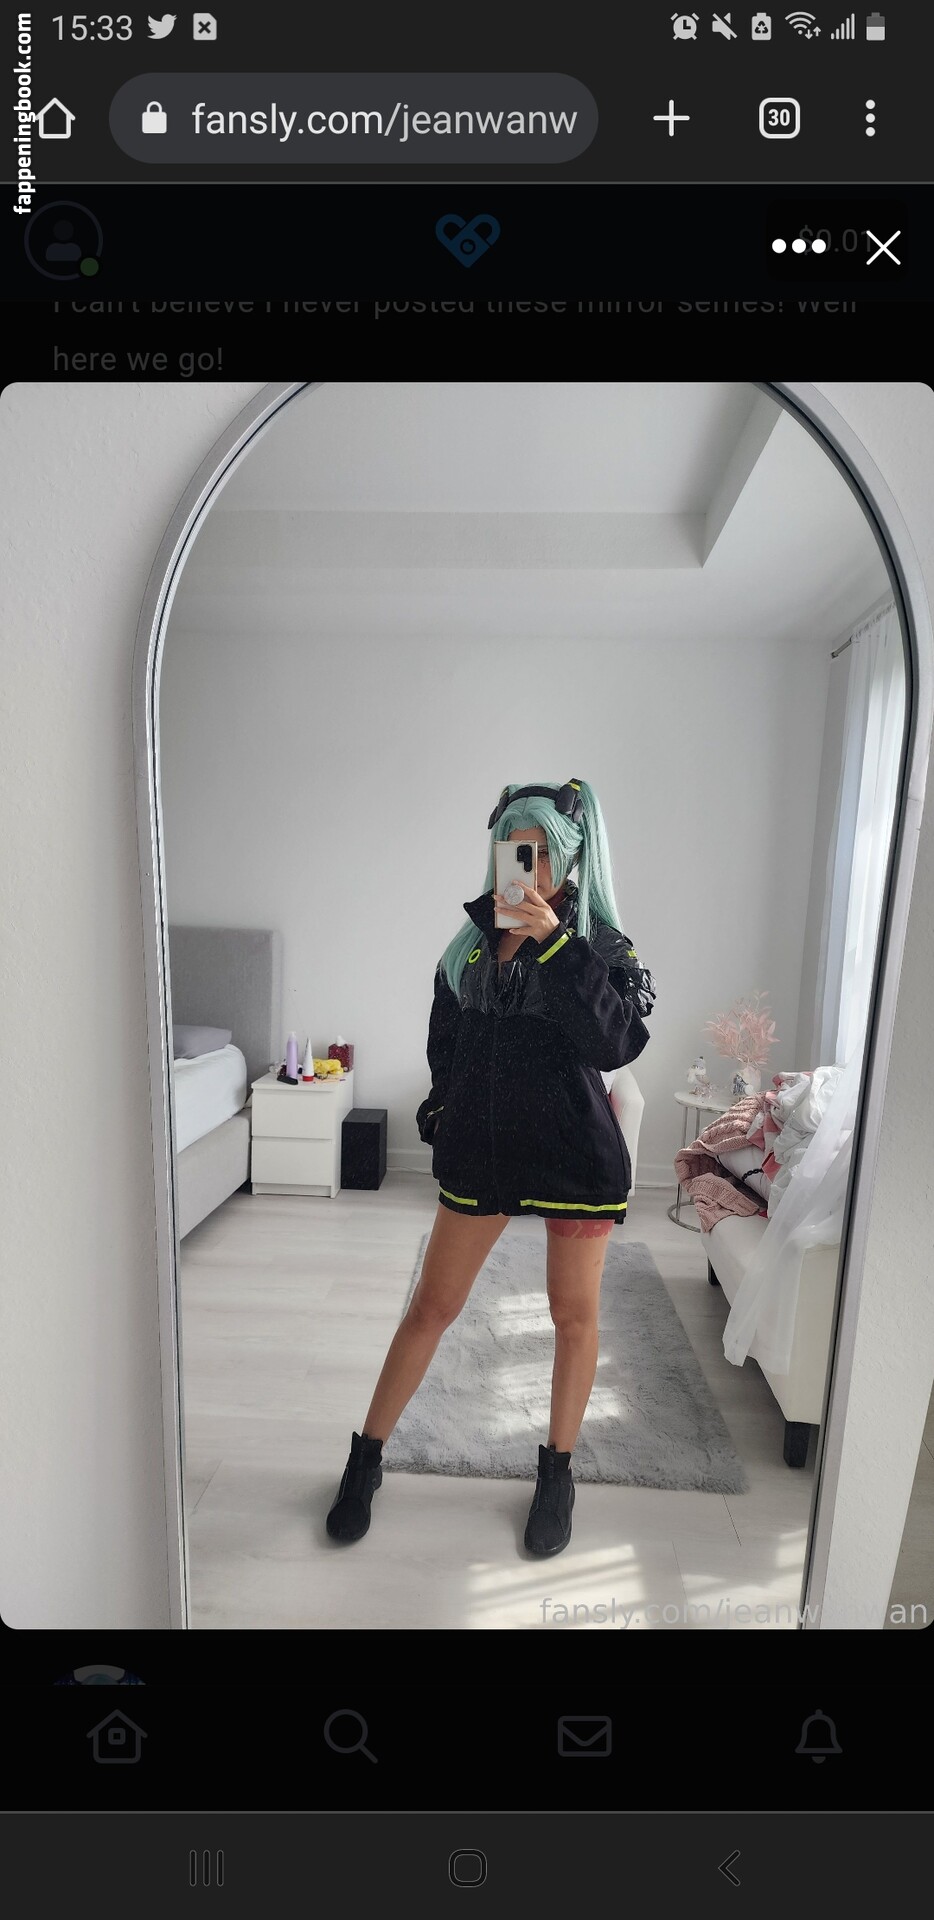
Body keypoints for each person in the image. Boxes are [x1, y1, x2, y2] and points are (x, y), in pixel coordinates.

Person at [326, 778, 656, 1557]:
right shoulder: (469, 945)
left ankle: (557, 1474)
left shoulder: (601, 948)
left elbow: (615, 1045)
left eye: (540, 852)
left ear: (570, 860)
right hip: (485, 1151)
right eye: (514, 849)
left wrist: (557, 944)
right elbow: (444, 1047)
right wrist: (445, 1110)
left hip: (575, 1155)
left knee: (572, 1317)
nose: (525, 866)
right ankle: (364, 1461)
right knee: (430, 1307)